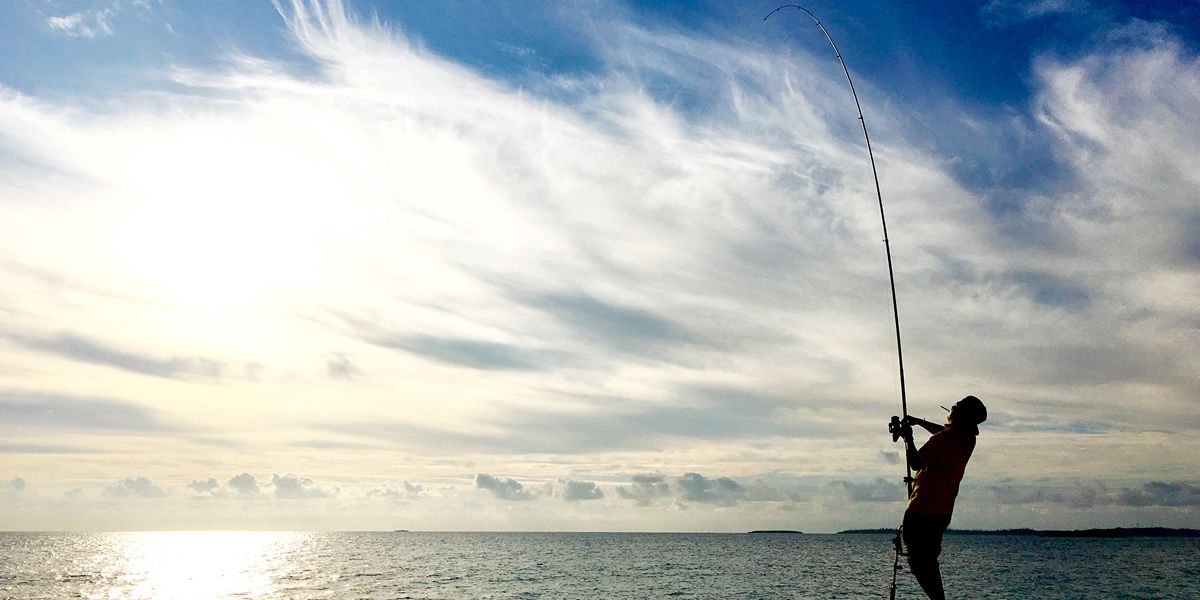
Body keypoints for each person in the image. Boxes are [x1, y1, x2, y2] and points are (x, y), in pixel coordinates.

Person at [898, 395, 987, 600]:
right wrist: (919, 422)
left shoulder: (942, 441)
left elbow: (916, 463)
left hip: (921, 510)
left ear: (959, 415)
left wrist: (907, 437)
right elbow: (943, 431)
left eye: (955, 406)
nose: (951, 407)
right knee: (929, 561)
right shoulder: (967, 439)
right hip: (942, 512)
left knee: (919, 563)